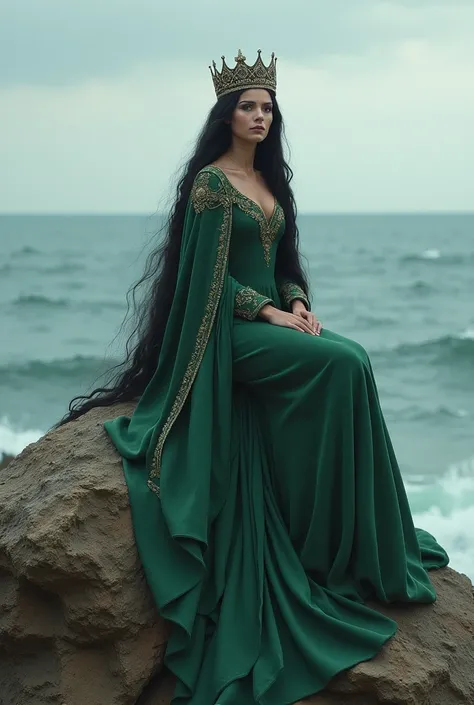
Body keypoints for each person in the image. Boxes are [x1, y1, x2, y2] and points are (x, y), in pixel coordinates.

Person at [56, 49, 449, 705]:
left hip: (271, 323)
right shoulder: (212, 186)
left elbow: (283, 262)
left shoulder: (272, 182)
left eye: (268, 106)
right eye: (248, 106)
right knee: (346, 361)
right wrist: (263, 309)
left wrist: (294, 299)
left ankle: (349, 531)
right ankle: (332, 542)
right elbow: (203, 281)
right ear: (227, 115)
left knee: (350, 360)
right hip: (225, 335)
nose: (260, 115)